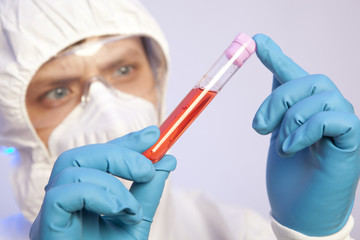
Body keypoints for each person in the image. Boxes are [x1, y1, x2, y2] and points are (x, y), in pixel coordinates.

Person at [0, 0, 359, 239]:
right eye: (58, 91)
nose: (108, 109)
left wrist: (313, 235)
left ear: (157, 77)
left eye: (124, 69)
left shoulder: (239, 232)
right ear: (15, 121)